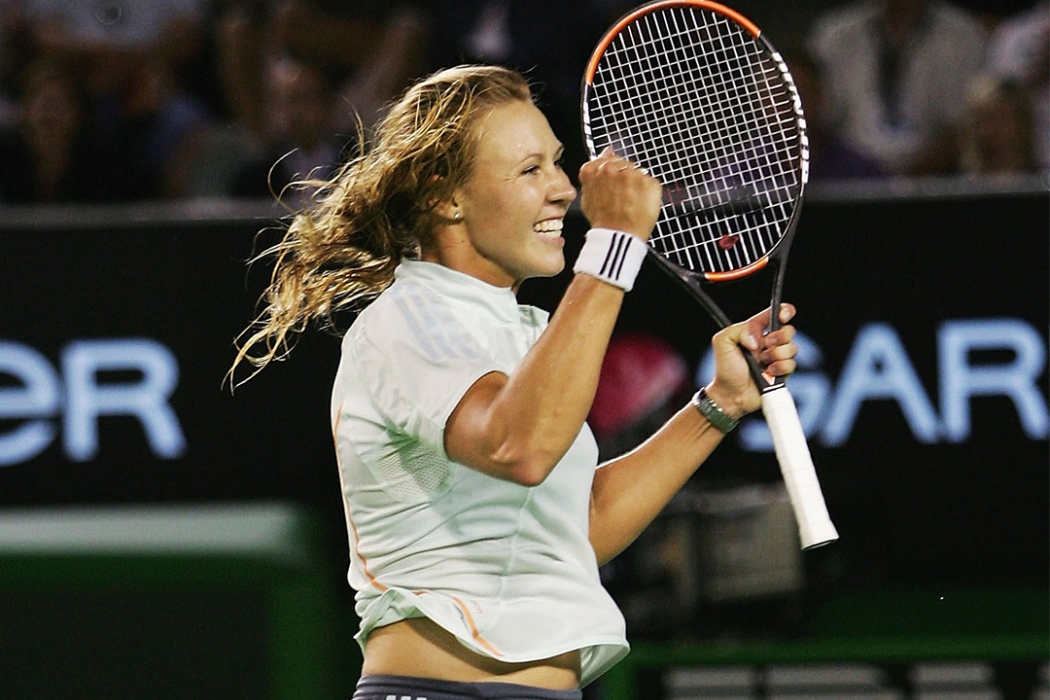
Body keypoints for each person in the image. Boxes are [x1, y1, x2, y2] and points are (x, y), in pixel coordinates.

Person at [229, 65, 799, 699]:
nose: (562, 190)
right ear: (447, 197)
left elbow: (579, 523)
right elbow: (519, 447)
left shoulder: (530, 334)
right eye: (530, 170)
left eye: (557, 163)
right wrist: (611, 247)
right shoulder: (406, 320)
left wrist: (717, 405)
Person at [806, 0, 986, 176]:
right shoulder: (834, 35)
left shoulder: (963, 35)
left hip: (934, 179)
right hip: (847, 174)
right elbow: (816, 116)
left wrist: (907, 181)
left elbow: (966, 126)